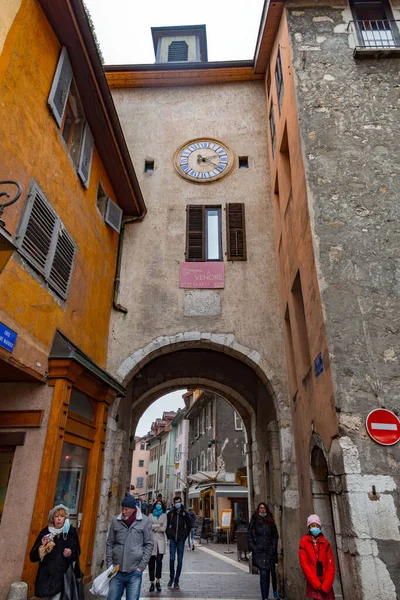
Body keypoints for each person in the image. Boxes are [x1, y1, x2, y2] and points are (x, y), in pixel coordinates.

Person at [106, 494, 153, 600]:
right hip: (116, 571)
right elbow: (110, 543)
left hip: (134, 571)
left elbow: (149, 544)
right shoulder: (115, 521)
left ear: (133, 509)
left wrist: (141, 567)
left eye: (126, 509)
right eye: (122, 509)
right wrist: (109, 564)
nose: (123, 512)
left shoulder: (144, 521)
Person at [30, 504, 80, 599]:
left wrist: (70, 553)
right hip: (45, 576)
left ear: (65, 518)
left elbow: (77, 552)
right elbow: (32, 556)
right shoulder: (45, 532)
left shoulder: (71, 532)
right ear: (52, 519)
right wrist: (41, 545)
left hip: (62, 576)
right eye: (56, 516)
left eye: (61, 516)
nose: (59, 519)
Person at [299, 514, 336, 600]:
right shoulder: (304, 541)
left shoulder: (326, 543)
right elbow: (304, 564)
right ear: (309, 527)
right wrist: (316, 583)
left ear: (320, 527)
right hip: (314, 581)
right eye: (312, 525)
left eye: (317, 525)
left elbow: (331, 566)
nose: (315, 527)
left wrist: (326, 585)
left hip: (325, 581)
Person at [247, 502, 280, 600]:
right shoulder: (255, 520)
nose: (262, 510)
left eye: (264, 508)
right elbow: (249, 534)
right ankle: (264, 597)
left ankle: (270, 594)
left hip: (269, 551)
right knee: (263, 574)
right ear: (258, 509)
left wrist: (273, 547)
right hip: (259, 551)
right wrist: (253, 546)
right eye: (260, 508)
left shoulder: (270, 521)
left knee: (269, 573)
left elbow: (275, 535)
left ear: (266, 509)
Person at [166, 494, 192, 589]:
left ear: (181, 502)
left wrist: (184, 537)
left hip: (180, 540)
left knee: (180, 561)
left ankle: (177, 580)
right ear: (174, 503)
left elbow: (189, 526)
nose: (178, 504)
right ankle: (171, 578)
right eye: (176, 502)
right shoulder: (171, 513)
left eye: (179, 502)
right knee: (172, 559)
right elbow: (167, 526)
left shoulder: (185, 514)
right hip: (173, 539)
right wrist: (169, 536)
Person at [148, 500, 167, 592]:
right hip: (152, 541)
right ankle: (151, 582)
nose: (158, 505)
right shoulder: (150, 515)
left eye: (160, 504)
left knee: (159, 562)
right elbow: (148, 526)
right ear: (154, 505)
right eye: (157, 504)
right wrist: (158, 525)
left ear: (162, 506)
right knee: (151, 563)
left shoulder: (164, 515)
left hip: (160, 542)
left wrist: (154, 527)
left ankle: (158, 582)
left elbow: (164, 528)